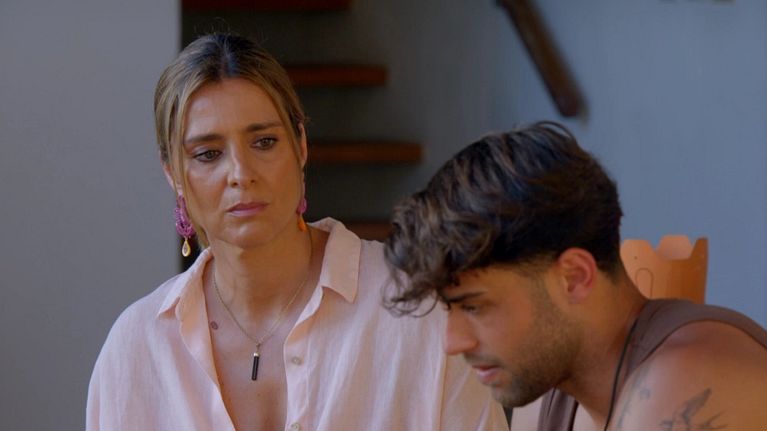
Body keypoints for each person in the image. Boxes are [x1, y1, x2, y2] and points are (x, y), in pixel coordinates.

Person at [86, 34, 507, 431]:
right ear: (173, 174)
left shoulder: (416, 309)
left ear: (300, 144)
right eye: (208, 153)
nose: (241, 173)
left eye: (264, 142)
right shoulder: (137, 347)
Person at [384, 122, 767, 430]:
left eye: (474, 307)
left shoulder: (691, 378)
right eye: (449, 308)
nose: (453, 342)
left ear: (575, 277)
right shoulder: (546, 384)